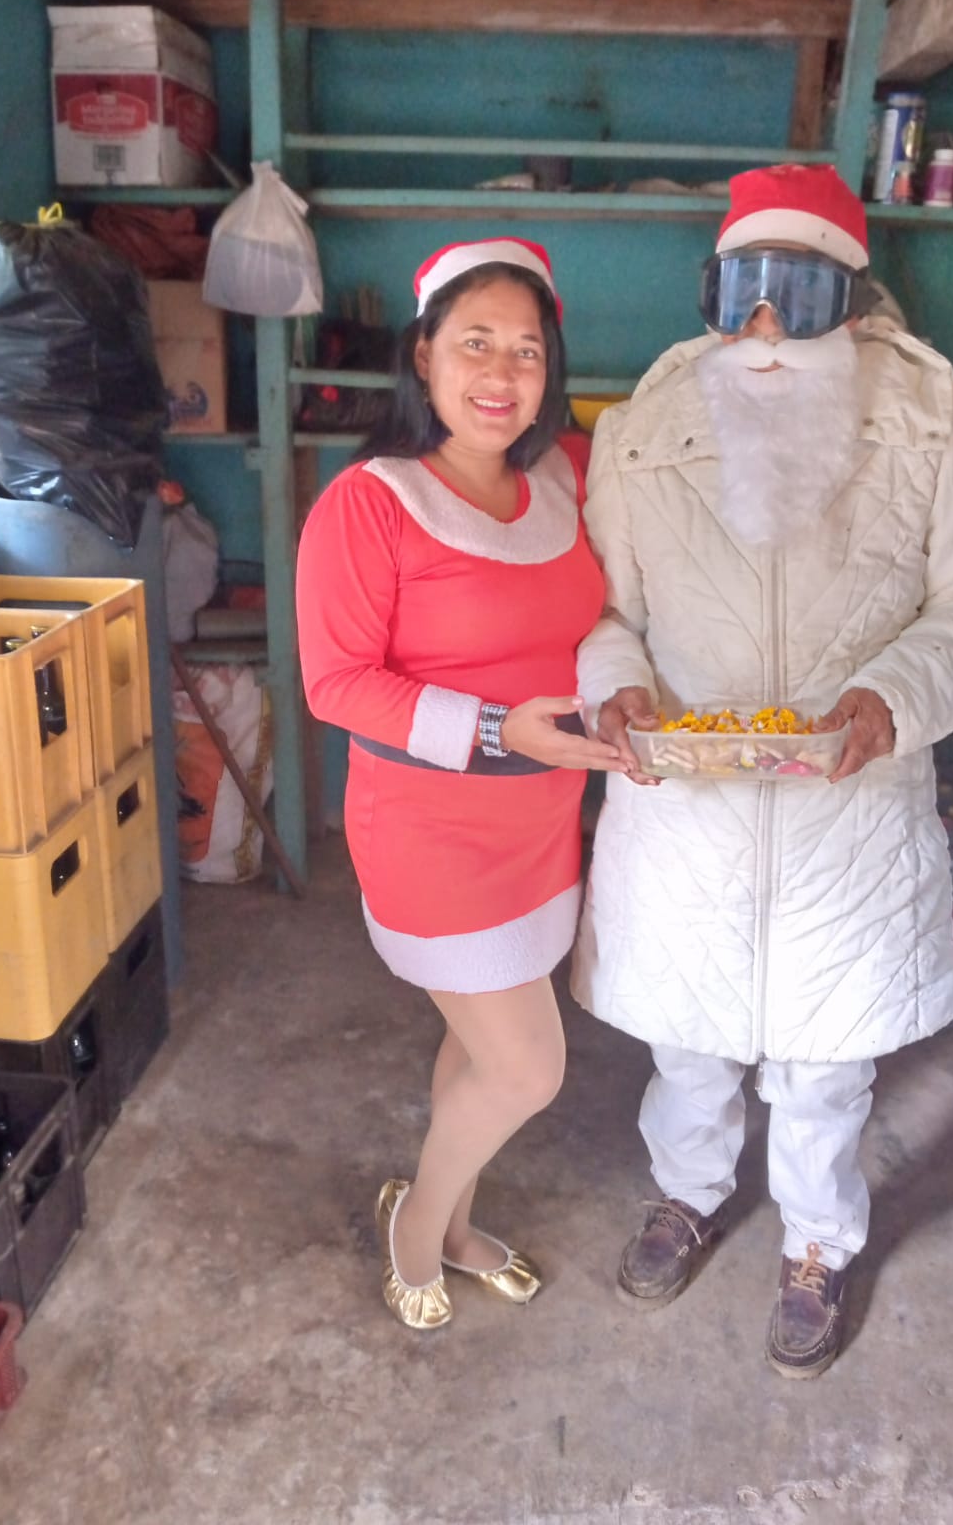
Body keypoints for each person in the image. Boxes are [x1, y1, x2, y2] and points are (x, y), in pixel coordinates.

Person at [572, 165, 953, 1377]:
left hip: (851, 803)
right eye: (744, 292)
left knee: (828, 1060)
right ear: (712, 293)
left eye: (801, 292)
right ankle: (687, 1194)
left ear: (854, 298)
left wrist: (893, 698)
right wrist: (614, 685)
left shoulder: (936, 418)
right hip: (690, 804)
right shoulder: (644, 426)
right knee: (687, 1041)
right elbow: (605, 609)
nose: (769, 326)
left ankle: (819, 1242)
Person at [297, 237, 621, 1331]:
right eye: (475, 342)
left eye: (527, 350)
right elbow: (337, 684)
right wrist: (495, 731)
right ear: (424, 354)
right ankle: (418, 1223)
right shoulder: (371, 502)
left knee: (480, 1042)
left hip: (543, 825)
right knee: (528, 1068)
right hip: (431, 833)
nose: (502, 372)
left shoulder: (565, 475)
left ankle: (456, 1220)